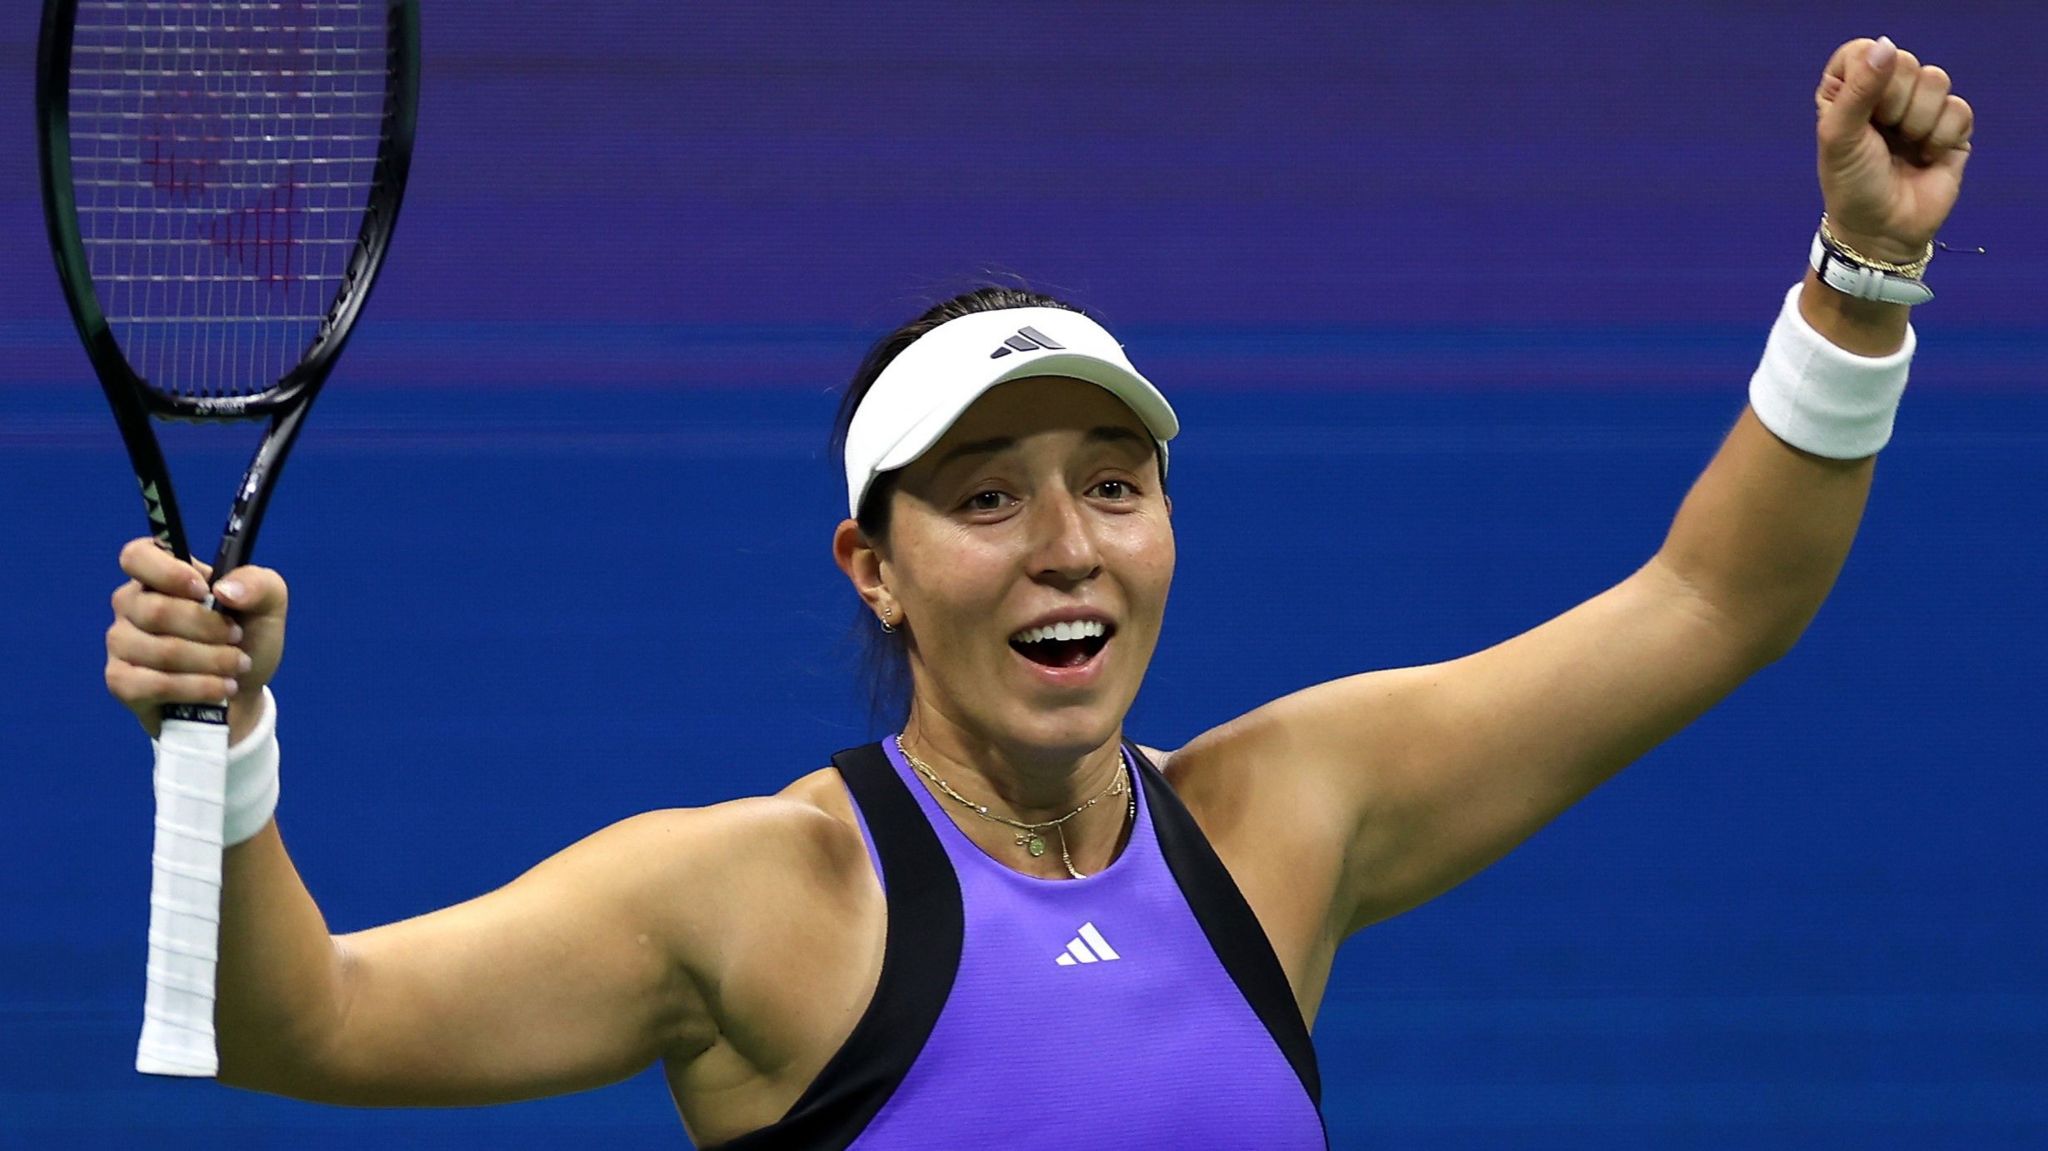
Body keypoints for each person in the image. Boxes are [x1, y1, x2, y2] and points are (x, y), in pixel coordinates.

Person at [101, 37, 1973, 1149]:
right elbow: (305, 1026)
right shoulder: (756, 898)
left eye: (1113, 486)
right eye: (986, 499)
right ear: (878, 570)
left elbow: (1717, 600)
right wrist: (228, 740)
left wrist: (1858, 280)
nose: (1067, 546)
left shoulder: (1284, 816)